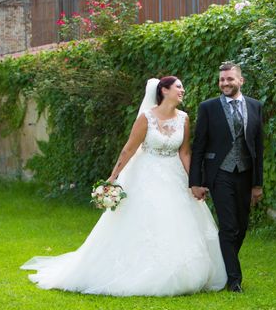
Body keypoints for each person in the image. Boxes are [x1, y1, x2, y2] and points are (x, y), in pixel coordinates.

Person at [21, 77, 227, 296]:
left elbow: (185, 152)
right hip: (147, 174)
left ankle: (186, 274)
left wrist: (194, 182)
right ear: (164, 90)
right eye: (178, 87)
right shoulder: (146, 118)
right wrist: (112, 178)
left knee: (178, 220)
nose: (183, 90)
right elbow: (128, 149)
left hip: (174, 175)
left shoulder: (184, 118)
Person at [189, 62, 264, 293]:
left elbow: (258, 147)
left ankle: (224, 266)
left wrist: (257, 184)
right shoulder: (208, 107)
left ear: (240, 80)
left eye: (230, 79)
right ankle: (234, 280)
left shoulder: (255, 106)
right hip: (219, 173)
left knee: (241, 227)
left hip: (245, 174)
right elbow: (199, 146)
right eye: (222, 79)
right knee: (229, 226)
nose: (225, 83)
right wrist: (195, 181)